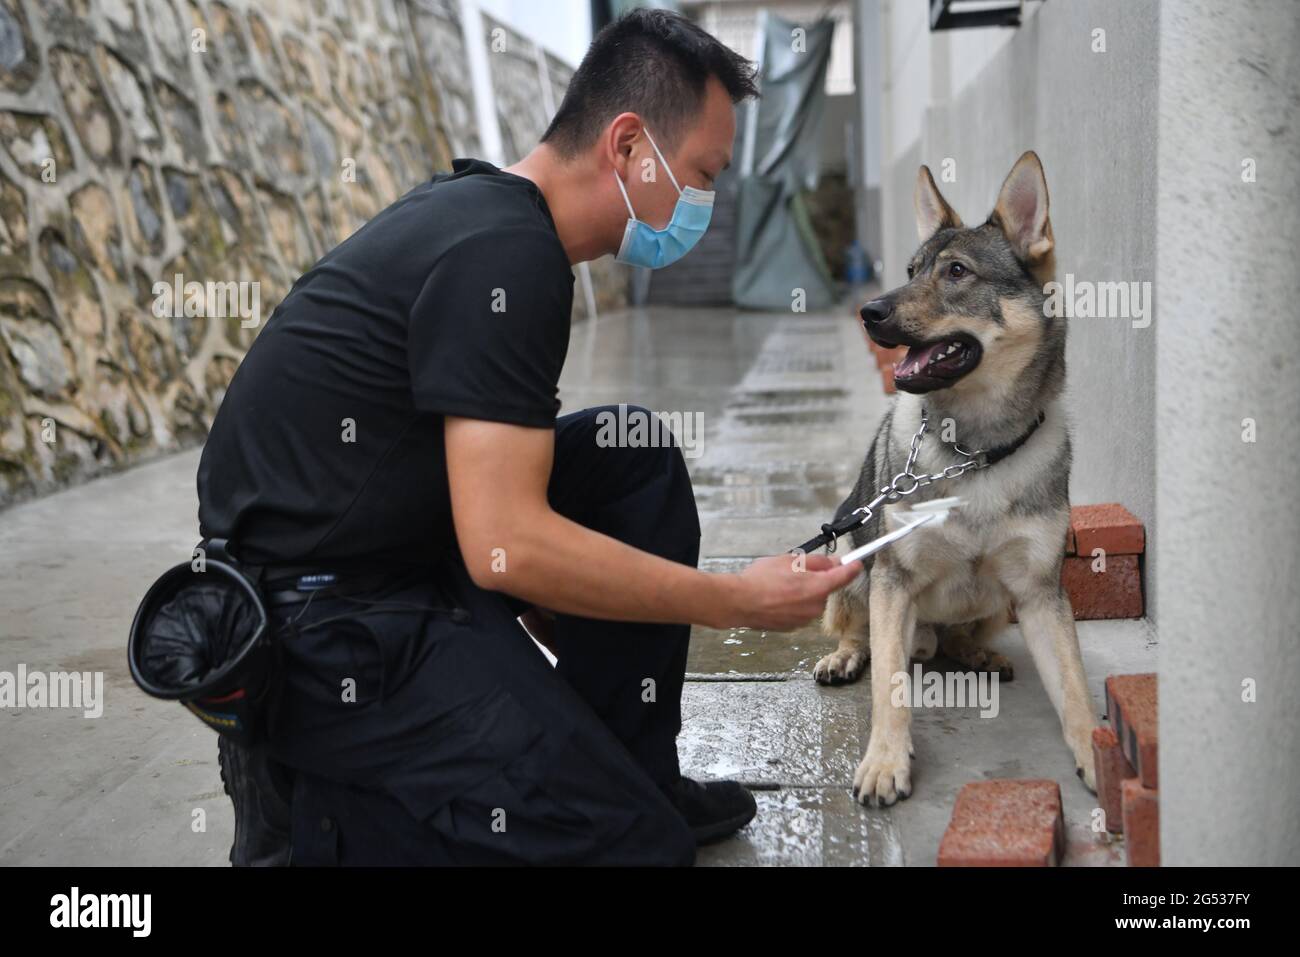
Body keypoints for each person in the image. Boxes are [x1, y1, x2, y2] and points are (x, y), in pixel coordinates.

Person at [201, 8, 861, 866]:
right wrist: (737, 599)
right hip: (318, 623)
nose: (707, 200)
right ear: (627, 146)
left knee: (632, 455)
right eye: (702, 173)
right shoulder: (506, 257)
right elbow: (505, 545)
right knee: (631, 846)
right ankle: (314, 815)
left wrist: (566, 596)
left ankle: (629, 767)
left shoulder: (497, 222)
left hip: (389, 548)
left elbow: (489, 493)